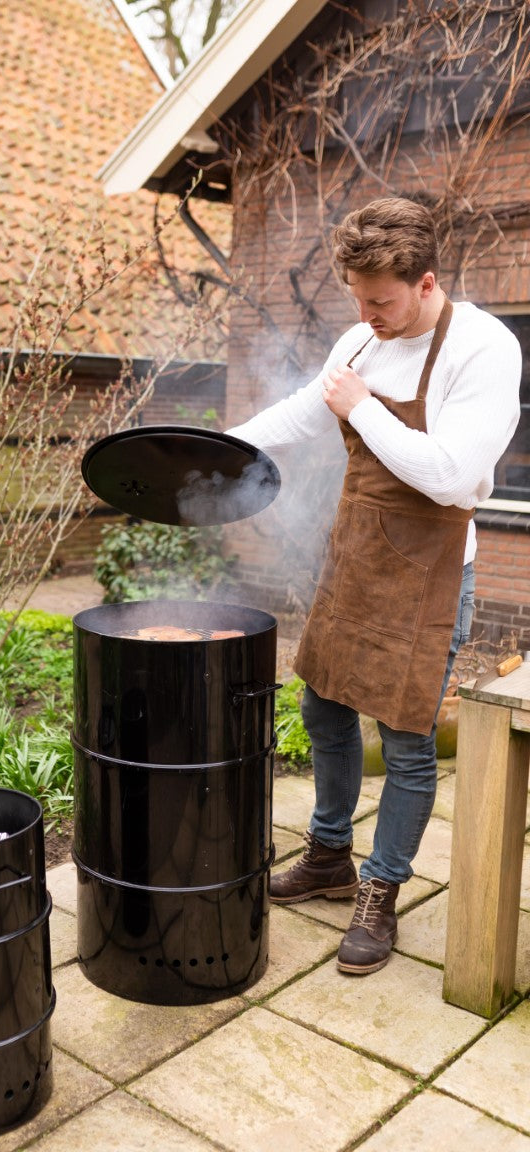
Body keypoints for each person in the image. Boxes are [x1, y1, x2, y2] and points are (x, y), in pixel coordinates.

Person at [227, 196, 522, 975]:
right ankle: (330, 856)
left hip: (431, 574)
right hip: (356, 558)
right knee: (322, 707)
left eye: (380, 301)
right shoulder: (362, 339)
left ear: (426, 283)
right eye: (357, 299)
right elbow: (302, 413)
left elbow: (451, 476)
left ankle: (382, 888)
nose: (366, 317)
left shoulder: (483, 349)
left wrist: (362, 408)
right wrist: (211, 448)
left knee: (407, 740)